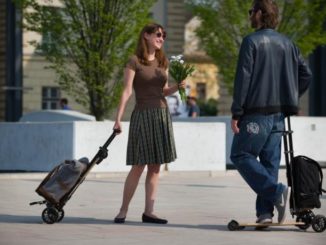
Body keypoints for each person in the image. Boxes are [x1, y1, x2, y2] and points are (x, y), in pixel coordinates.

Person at [230, 0, 312, 225]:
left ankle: (276, 193)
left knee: (240, 154)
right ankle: (265, 214)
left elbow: (243, 79)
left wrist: (237, 111)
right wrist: (291, 97)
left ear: (260, 13)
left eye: (251, 12)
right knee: (269, 163)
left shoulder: (251, 41)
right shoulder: (289, 43)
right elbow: (306, 75)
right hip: (279, 115)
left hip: (256, 112)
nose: (249, 16)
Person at [113, 23, 186, 224]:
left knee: (155, 167)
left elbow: (162, 91)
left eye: (164, 36)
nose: (162, 38)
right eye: (158, 35)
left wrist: (177, 87)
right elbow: (127, 91)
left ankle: (149, 212)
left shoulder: (163, 61)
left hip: (162, 116)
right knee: (138, 165)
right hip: (142, 115)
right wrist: (118, 119)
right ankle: (123, 210)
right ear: (146, 35)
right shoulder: (134, 61)